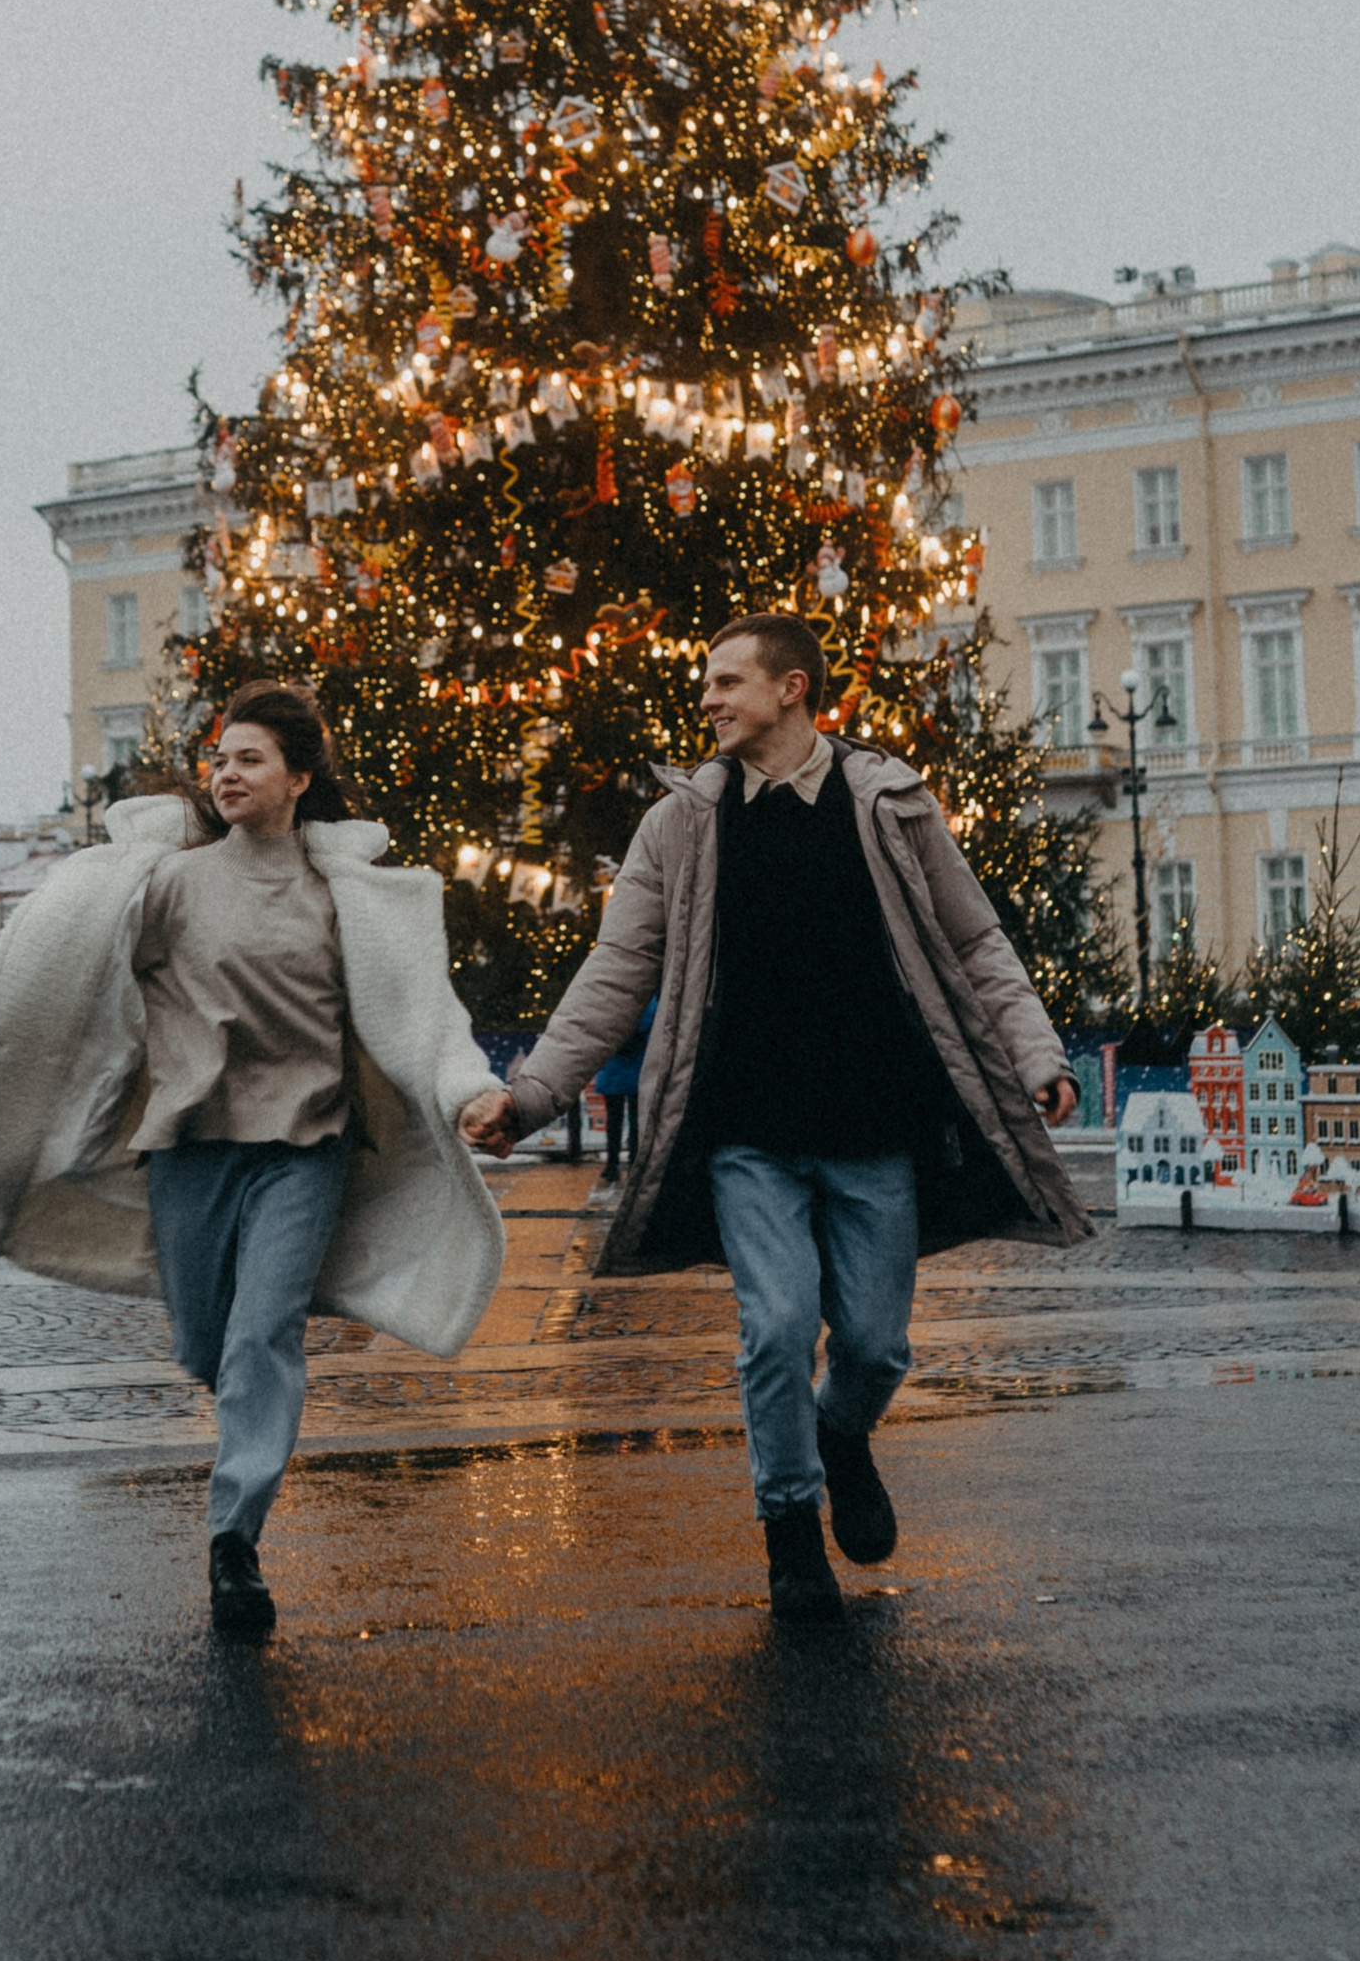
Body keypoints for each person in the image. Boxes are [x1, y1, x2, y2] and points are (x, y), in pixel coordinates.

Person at [462, 613, 1087, 1620]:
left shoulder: (886, 803)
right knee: (778, 1326)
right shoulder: (683, 823)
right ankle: (790, 1528)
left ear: (792, 689)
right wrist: (531, 1095)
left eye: (725, 681)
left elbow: (976, 943)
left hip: (871, 1123)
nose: (706, 698)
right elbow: (616, 971)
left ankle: (840, 1433)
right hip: (744, 1132)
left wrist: (1035, 1055)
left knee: (877, 1348)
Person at [0, 686, 505, 1636]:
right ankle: (243, 1433)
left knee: (264, 1333)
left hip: (307, 1146)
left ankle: (235, 1541)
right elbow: (51, 993)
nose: (227, 772)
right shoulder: (168, 887)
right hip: (189, 1149)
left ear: (299, 779)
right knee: (210, 1340)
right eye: (220, 757)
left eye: (251, 759)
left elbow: (423, 1019)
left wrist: (473, 1092)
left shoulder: (348, 899)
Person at [591, 999, 655, 1187]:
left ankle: (612, 1165)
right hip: (638, 1067)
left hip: (615, 1067)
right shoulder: (650, 1002)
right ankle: (634, 1164)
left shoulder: (612, 999)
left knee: (614, 1120)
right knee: (636, 1120)